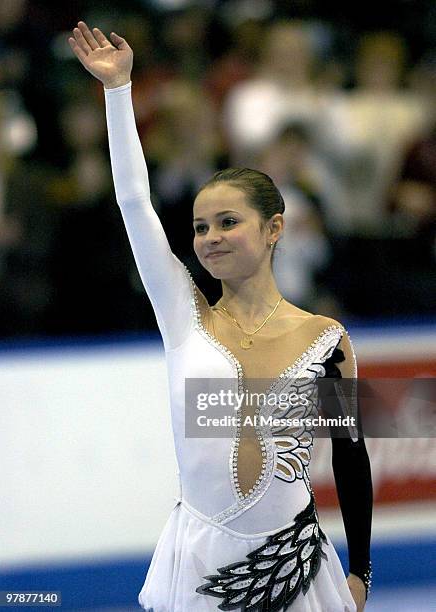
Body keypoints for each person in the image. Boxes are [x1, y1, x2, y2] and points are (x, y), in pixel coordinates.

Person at [68, 22, 372, 612]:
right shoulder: (186, 318)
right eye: (201, 227)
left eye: (229, 222)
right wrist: (117, 91)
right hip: (199, 571)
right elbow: (134, 199)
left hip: (295, 570)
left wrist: (360, 569)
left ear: (273, 228)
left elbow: (350, 453)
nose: (210, 238)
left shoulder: (326, 340)